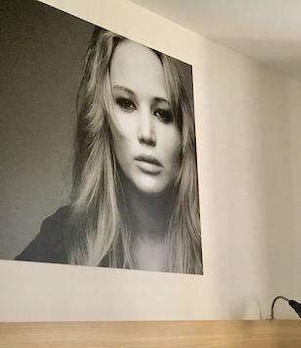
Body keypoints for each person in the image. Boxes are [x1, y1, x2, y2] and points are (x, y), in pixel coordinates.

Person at [17, 27, 201, 273]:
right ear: (102, 119)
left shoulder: (207, 242)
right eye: (126, 104)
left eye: (162, 113)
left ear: (182, 134)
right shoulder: (63, 237)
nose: (147, 134)